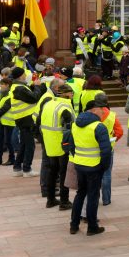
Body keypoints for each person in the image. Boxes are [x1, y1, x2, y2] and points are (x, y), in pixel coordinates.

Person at [65, 99, 113, 236]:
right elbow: (106, 151)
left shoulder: (76, 124)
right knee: (92, 196)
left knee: (80, 193)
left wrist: (78, 158)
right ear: (93, 110)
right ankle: (92, 227)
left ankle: (74, 225)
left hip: (80, 164)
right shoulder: (99, 126)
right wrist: (104, 167)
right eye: (101, 109)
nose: (103, 112)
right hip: (94, 167)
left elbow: (72, 146)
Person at [38, 80, 73, 210]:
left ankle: (50, 199)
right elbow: (69, 129)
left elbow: (38, 121)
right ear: (65, 94)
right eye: (71, 93)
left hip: (49, 143)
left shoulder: (48, 104)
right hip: (62, 145)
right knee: (64, 173)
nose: (72, 95)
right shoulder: (65, 108)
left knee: (52, 171)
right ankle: (64, 201)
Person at [93, 93, 122, 206]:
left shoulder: (91, 113)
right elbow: (119, 132)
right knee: (107, 173)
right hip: (107, 148)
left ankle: (95, 197)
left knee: (94, 174)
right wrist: (112, 141)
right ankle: (106, 199)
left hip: (93, 147)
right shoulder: (112, 115)